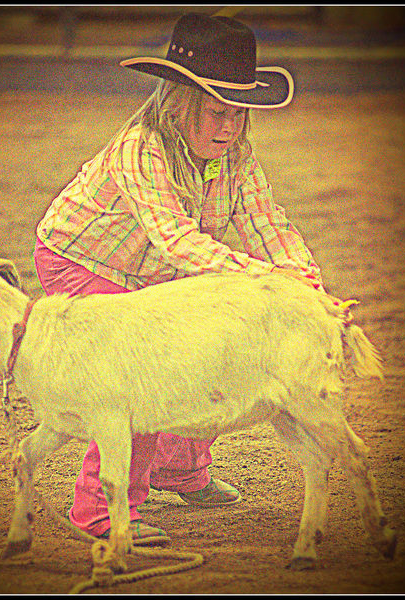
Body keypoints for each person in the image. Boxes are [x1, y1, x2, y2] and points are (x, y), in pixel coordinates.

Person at [33, 12, 325, 546]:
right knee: (140, 376)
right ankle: (100, 513)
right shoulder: (139, 149)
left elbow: (264, 220)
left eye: (239, 114)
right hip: (83, 262)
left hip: (156, 269)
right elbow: (178, 242)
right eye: (217, 112)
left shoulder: (234, 153)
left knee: (197, 352)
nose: (229, 127)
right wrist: (271, 284)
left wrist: (306, 281)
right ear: (179, 102)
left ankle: (180, 472)